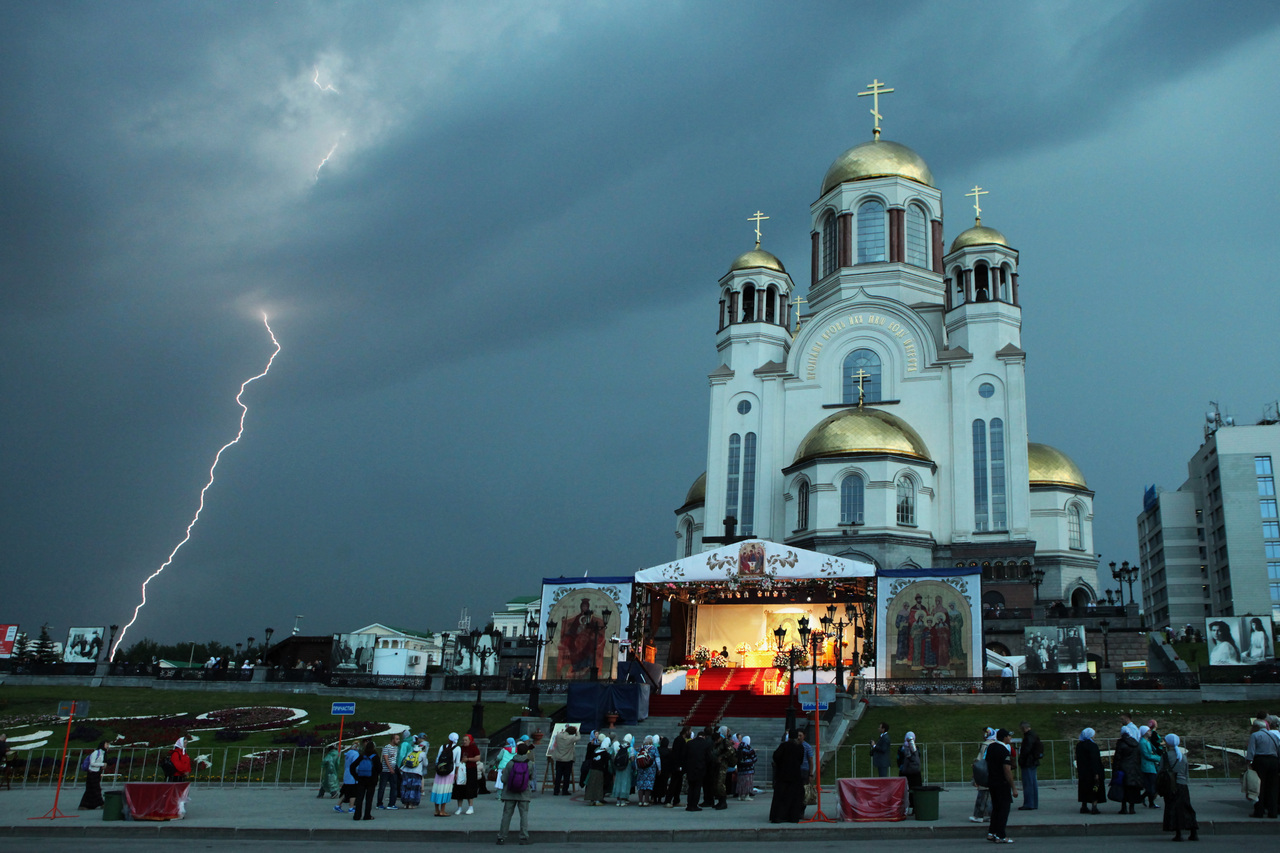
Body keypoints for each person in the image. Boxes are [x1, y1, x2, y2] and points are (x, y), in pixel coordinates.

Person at [1161, 733, 1199, 841]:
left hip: (1171, 786)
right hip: (1182, 785)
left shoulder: (1165, 756)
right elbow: (1186, 772)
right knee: (1186, 807)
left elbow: (1161, 771)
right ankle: (1193, 831)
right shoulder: (1182, 756)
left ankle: (1178, 833)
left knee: (1173, 808)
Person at [496, 741, 535, 845]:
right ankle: (523, 837)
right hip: (524, 793)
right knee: (524, 815)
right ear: (526, 751)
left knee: (507, 815)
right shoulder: (529, 764)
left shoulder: (510, 763)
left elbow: (504, 779)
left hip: (510, 793)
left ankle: (502, 837)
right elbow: (531, 778)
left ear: (517, 751)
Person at [986, 728, 1018, 843]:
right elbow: (1007, 770)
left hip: (992, 782)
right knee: (1004, 809)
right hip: (1002, 783)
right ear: (1004, 737)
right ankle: (1001, 835)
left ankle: (992, 832)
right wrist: (1013, 787)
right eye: (1009, 736)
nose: (1010, 738)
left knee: (996, 808)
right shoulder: (1004, 751)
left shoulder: (991, 747)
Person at [1245, 717, 1280, 818]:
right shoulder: (1273, 735)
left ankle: (1259, 811)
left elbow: (1251, 751)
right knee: (1273, 787)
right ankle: (1272, 812)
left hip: (1260, 761)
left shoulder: (1255, 735)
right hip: (1274, 761)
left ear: (1256, 727)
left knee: (1258, 786)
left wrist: (1248, 763)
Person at [769, 729, 807, 823]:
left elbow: (776, 757)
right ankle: (793, 816)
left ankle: (778, 816)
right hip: (795, 775)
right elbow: (801, 760)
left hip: (783, 774)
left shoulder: (784, 746)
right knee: (794, 797)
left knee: (780, 796)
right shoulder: (800, 747)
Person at [1113, 723, 1143, 814]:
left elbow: (1117, 757)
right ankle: (1132, 807)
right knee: (1132, 789)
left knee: (1123, 789)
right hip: (1134, 768)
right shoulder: (1136, 743)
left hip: (1123, 768)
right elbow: (1139, 757)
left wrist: (1115, 769)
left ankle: (1124, 807)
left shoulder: (1121, 743)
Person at [969, 727, 996, 823]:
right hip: (993, 773)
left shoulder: (985, 745)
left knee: (983, 794)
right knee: (991, 795)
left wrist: (974, 773)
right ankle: (989, 815)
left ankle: (979, 815)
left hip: (984, 772)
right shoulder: (996, 744)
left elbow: (979, 760)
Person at [432, 733, 462, 817]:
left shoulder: (443, 746)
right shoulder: (457, 748)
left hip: (440, 772)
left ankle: (436, 810)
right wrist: (456, 773)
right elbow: (457, 762)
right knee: (445, 790)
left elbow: (437, 758)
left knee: (438, 789)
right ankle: (442, 810)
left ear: (449, 739)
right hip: (450, 772)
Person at [1075, 728, 1104, 815]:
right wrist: (1096, 772)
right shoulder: (1092, 746)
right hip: (1091, 771)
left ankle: (1084, 806)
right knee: (1094, 789)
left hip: (1083, 771)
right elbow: (1095, 760)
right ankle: (1094, 807)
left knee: (1084, 788)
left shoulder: (1079, 745)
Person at [350, 739, 380, 821]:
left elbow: (352, 766)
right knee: (369, 799)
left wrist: (356, 776)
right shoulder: (375, 756)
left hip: (361, 779)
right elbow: (379, 768)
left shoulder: (362, 756)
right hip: (372, 780)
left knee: (359, 798)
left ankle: (357, 815)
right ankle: (367, 815)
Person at [683, 728, 711, 811]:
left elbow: (685, 756)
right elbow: (708, 758)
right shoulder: (705, 744)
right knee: (697, 788)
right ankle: (694, 805)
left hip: (690, 768)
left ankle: (689, 804)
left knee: (691, 787)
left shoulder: (690, 743)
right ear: (704, 736)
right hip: (700, 768)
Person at [1017, 721, 1042, 811]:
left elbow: (1026, 750)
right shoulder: (1034, 735)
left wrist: (1021, 760)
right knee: (1033, 783)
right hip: (1034, 761)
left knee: (1028, 784)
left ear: (1023, 728)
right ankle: (1034, 803)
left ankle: (1028, 803)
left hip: (1027, 762)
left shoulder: (1028, 737)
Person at [454, 733, 481, 815]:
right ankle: (459, 807)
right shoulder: (460, 748)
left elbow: (478, 758)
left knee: (470, 788)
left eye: (466, 740)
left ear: (470, 741)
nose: (464, 742)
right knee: (460, 787)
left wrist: (468, 759)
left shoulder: (474, 748)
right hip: (461, 769)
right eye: (463, 740)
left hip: (470, 769)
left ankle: (470, 807)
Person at [548, 725, 578, 796]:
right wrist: (577, 731)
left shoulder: (558, 736)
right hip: (568, 759)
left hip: (559, 758)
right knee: (566, 776)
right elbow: (578, 737)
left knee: (558, 775)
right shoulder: (571, 738)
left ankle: (556, 790)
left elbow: (559, 733)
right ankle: (565, 790)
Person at [78, 741, 109, 809]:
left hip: (97, 772)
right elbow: (92, 763)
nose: (108, 745)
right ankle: (101, 803)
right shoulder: (96, 752)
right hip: (92, 773)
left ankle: (85, 804)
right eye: (106, 744)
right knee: (96, 789)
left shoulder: (103, 753)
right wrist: (102, 764)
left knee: (90, 789)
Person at [665, 727, 690, 808]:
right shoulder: (680, 740)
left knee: (678, 784)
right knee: (673, 783)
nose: (690, 732)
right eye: (690, 731)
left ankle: (676, 800)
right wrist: (678, 766)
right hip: (677, 766)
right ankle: (668, 800)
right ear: (686, 731)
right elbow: (677, 754)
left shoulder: (681, 740)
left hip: (680, 766)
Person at [898, 731, 923, 815]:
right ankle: (916, 807)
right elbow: (917, 758)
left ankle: (903, 809)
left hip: (904, 772)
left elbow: (898, 760)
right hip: (915, 772)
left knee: (903, 791)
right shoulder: (916, 748)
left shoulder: (901, 748)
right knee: (915, 790)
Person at [376, 732, 401, 810]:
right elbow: (385, 758)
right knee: (382, 787)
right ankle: (379, 803)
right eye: (397, 739)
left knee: (394, 787)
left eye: (399, 739)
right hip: (385, 771)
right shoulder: (387, 747)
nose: (398, 741)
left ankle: (391, 804)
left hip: (394, 770)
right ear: (392, 739)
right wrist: (390, 768)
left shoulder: (396, 748)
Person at [1138, 724, 1161, 809]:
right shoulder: (1143, 742)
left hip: (1150, 765)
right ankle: (1149, 801)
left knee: (1151, 785)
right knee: (1152, 785)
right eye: (1148, 731)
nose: (1150, 732)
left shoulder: (1147, 741)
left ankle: (1144, 799)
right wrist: (1159, 758)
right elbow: (1147, 755)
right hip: (1147, 766)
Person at [583, 735, 610, 806]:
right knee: (598, 785)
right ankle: (598, 800)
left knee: (592, 785)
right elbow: (607, 764)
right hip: (599, 771)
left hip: (592, 770)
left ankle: (591, 799)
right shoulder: (605, 754)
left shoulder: (596, 751)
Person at [399, 742, 426, 809]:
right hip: (416, 772)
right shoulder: (422, 754)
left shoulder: (410, 753)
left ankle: (405, 803)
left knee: (406, 787)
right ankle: (412, 803)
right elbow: (426, 764)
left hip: (406, 772)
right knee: (414, 788)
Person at [610, 733, 635, 806]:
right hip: (626, 767)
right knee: (625, 782)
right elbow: (632, 759)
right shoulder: (630, 748)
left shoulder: (619, 747)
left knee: (618, 782)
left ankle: (618, 800)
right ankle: (623, 800)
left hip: (618, 767)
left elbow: (615, 756)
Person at [336, 741, 360, 813]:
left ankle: (338, 805)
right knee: (353, 792)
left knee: (345, 791)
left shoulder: (348, 753)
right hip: (352, 776)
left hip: (346, 774)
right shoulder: (356, 754)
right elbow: (356, 765)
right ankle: (351, 807)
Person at [635, 735, 660, 805]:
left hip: (641, 769)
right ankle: (646, 801)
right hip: (650, 769)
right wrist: (659, 768)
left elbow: (637, 758)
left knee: (640, 784)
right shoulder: (654, 748)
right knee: (648, 784)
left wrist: (637, 767)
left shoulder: (641, 748)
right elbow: (657, 759)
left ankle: (640, 801)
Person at [735, 735, 756, 801]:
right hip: (748, 769)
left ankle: (740, 795)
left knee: (741, 782)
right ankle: (746, 795)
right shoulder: (749, 749)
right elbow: (754, 758)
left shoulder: (739, 748)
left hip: (740, 769)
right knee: (747, 782)